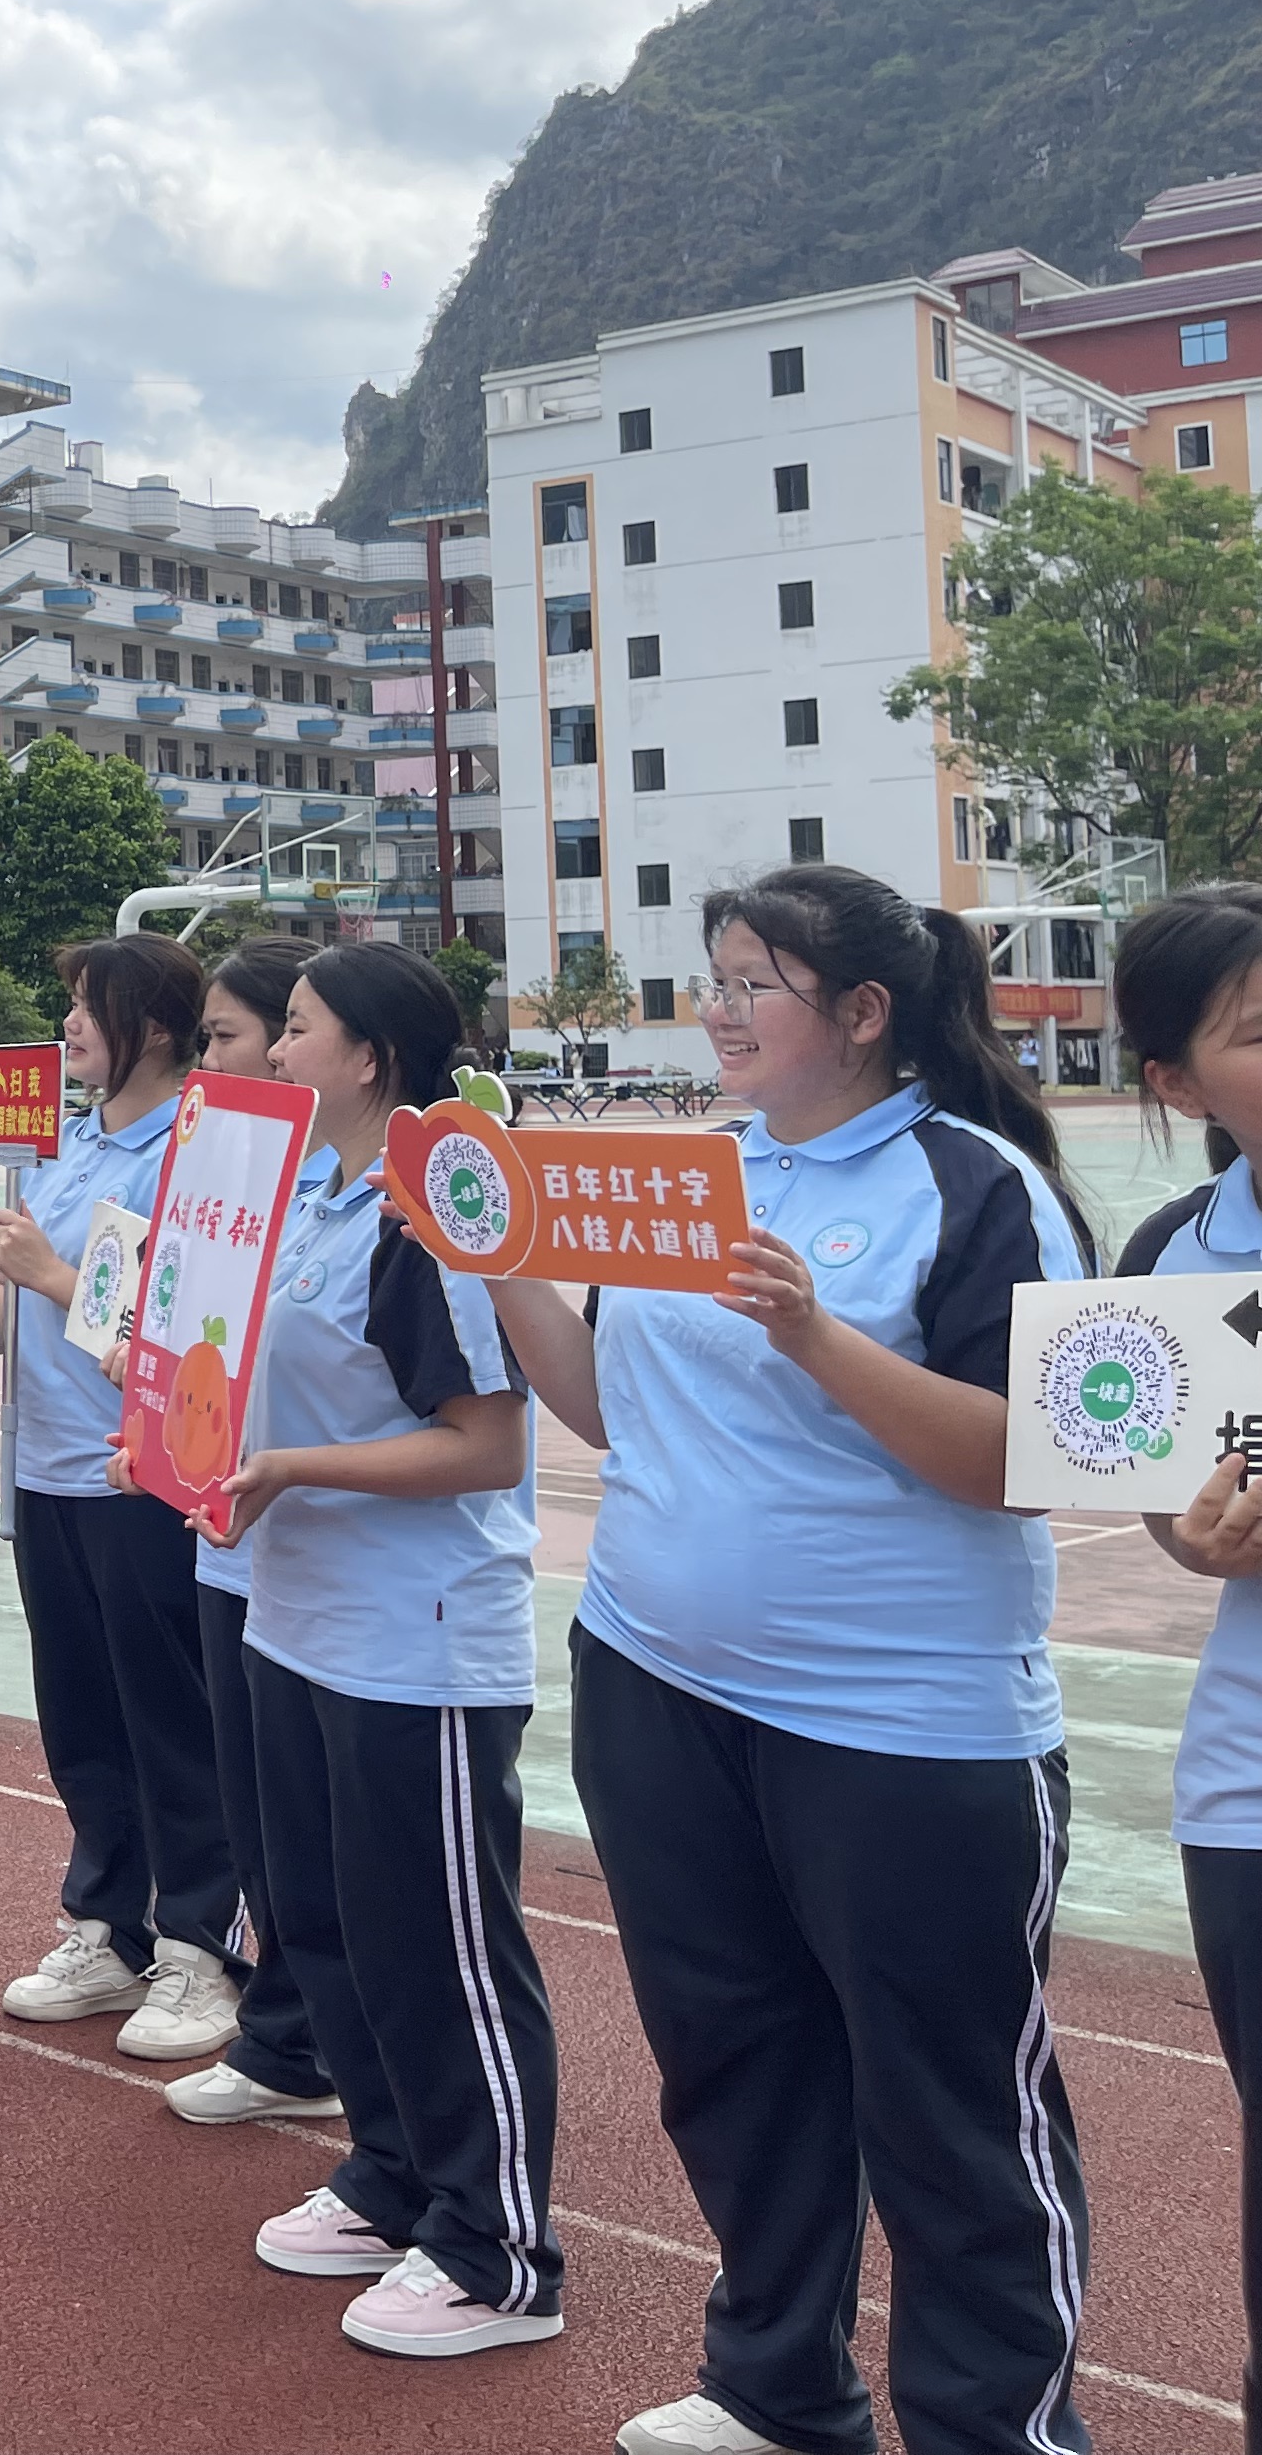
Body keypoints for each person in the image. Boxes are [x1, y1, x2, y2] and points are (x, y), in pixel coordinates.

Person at [490, 867, 1098, 2451]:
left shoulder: (975, 1186)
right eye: (714, 979)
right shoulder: (689, 1175)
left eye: (753, 982)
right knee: (734, 2061)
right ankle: (777, 2388)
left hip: (904, 1725)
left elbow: (1027, 1462)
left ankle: (997, 2430)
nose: (717, 1010)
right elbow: (609, 1409)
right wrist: (495, 1260)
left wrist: (816, 1335)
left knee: (951, 2106)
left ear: (865, 1012)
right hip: (656, 1684)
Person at [191, 939, 557, 2361]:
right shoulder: (308, 1201)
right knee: (328, 1918)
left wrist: (292, 1467)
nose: (275, 1051)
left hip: (416, 1637)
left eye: (295, 1028)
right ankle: (392, 2173)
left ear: (370, 1059)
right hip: (298, 1620)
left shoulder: (425, 1217)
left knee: (437, 1945)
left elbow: (485, 1445)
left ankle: (495, 2246)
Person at [0, 935, 243, 2062]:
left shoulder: (194, 1157)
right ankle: (109, 1923)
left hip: (140, 1474)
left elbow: (181, 1327)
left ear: (153, 1028)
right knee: (82, 1716)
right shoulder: (69, 1147)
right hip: (48, 1472)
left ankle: (203, 1948)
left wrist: (49, 1277)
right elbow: (24, 1281)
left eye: (86, 1006)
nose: (67, 1024)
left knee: (171, 1720)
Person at [1119, 882, 1262, 2443]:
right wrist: (1200, 1538)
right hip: (1252, 1790)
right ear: (1174, 1079)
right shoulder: (1169, 1256)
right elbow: (1168, 1508)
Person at [155, 937, 340, 2127]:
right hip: (232, 1546)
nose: (215, 1061)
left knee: (327, 1842)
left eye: (227, 1036)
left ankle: (321, 2049)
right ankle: (288, 2036)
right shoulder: (244, 1177)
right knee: (264, 1819)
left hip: (335, 1580)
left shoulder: (365, 1195)